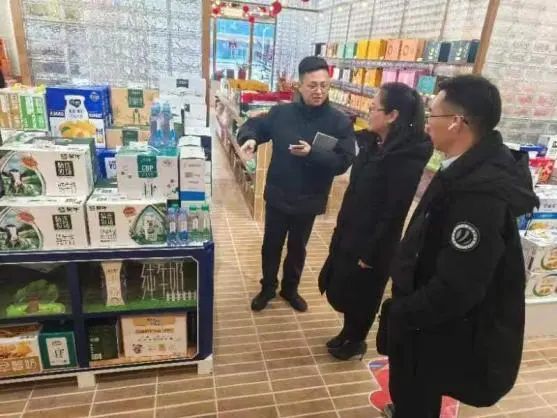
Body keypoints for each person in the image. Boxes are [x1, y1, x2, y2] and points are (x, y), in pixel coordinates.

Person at [380, 75, 539, 418]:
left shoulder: (478, 197)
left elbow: (458, 287)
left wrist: (403, 314)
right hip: (425, 319)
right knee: (413, 393)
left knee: (417, 397)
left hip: (430, 326)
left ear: (456, 122)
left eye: (433, 114)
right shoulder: (464, 168)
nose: (427, 123)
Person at [318, 83, 432, 360]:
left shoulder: (406, 158)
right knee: (344, 286)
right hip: (351, 230)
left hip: (374, 242)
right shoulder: (373, 144)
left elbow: (394, 213)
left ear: (392, 115)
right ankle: (347, 333)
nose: (368, 112)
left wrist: (371, 253)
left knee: (363, 294)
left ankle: (356, 340)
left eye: (373, 108)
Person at [238, 56, 356, 312]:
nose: (319, 91)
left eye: (324, 85)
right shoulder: (282, 113)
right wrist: (250, 139)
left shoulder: (339, 122)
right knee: (271, 245)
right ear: (299, 86)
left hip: (310, 198)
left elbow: (344, 160)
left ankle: (290, 289)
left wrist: (313, 153)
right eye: (312, 85)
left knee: (297, 248)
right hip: (279, 193)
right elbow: (256, 126)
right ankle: (268, 287)